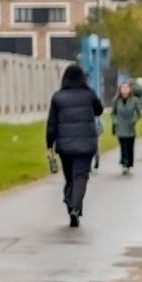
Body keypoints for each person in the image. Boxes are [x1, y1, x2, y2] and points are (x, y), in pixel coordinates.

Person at [45, 63, 103, 227]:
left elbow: (52, 123)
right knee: (81, 176)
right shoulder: (89, 95)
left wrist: (49, 144)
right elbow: (99, 110)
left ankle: (71, 202)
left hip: (64, 144)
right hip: (86, 143)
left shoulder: (58, 97)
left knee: (69, 176)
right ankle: (75, 206)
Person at [109, 79, 142, 174]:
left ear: (130, 89)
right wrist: (115, 120)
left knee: (130, 146)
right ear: (120, 90)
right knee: (123, 146)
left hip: (130, 127)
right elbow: (113, 113)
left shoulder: (134, 100)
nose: (124, 90)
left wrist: (134, 119)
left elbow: (139, 113)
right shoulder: (116, 100)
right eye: (123, 88)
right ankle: (124, 163)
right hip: (120, 126)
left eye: (126, 88)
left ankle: (129, 163)